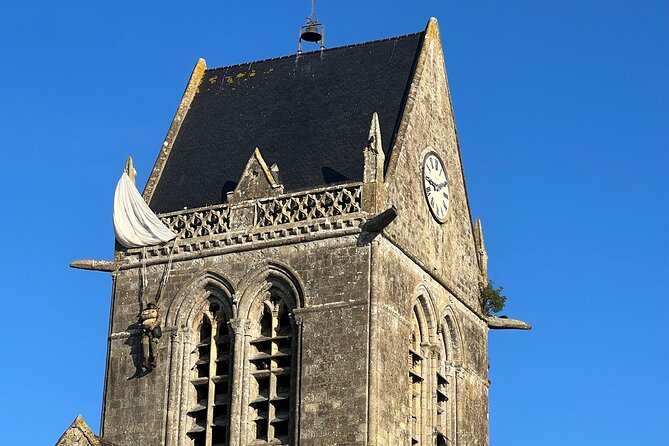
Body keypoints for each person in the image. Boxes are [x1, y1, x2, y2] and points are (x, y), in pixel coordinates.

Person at [140, 302, 162, 369]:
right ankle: (146, 362)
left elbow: (159, 319)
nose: (151, 306)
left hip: (153, 331)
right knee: (145, 344)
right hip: (145, 331)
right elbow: (141, 320)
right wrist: (142, 326)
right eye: (150, 305)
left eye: (152, 305)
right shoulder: (146, 313)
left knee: (153, 344)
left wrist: (154, 325)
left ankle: (154, 361)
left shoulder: (156, 312)